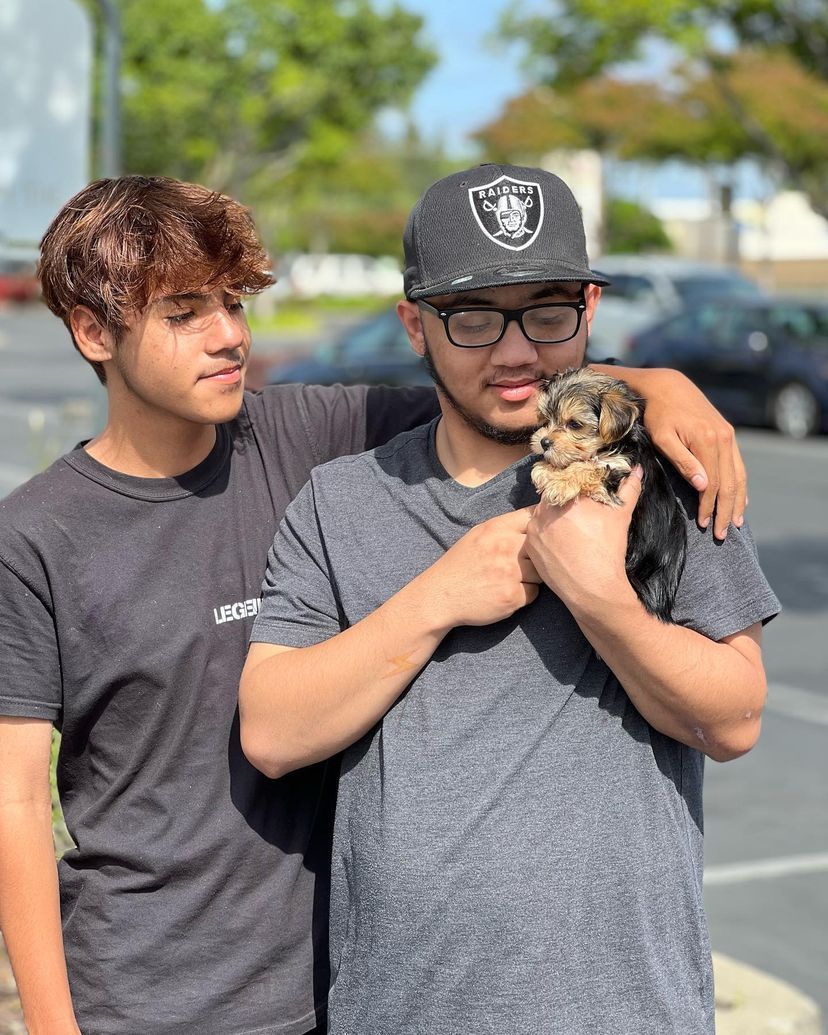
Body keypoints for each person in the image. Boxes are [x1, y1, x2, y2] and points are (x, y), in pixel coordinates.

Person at [0, 173, 745, 1035]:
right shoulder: (35, 537)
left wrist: (660, 382)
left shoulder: (302, 435)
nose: (229, 337)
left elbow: (498, 367)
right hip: (145, 996)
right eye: (184, 313)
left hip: (331, 990)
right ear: (93, 331)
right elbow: (16, 802)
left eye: (235, 303)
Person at [240, 163, 780, 1035]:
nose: (519, 348)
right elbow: (270, 731)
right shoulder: (340, 501)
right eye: (476, 316)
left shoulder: (667, 475)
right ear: (415, 324)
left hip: (630, 1014)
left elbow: (736, 719)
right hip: (399, 1014)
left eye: (549, 309)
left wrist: (601, 597)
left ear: (591, 313)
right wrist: (439, 595)